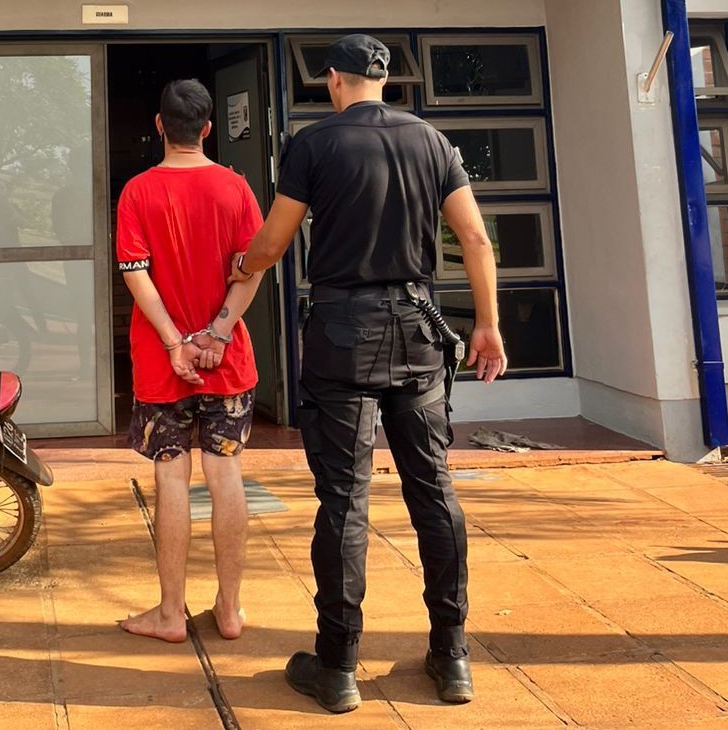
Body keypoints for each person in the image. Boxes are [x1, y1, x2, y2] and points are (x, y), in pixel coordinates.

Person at [229, 35, 507, 712]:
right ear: (383, 80)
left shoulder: (313, 144)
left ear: (334, 79)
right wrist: (488, 325)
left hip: (342, 335)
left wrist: (244, 265)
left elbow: (275, 240)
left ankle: (338, 666)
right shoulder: (432, 142)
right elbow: (475, 237)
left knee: (345, 501)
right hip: (418, 332)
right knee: (433, 492)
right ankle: (452, 657)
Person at [115, 79, 266, 643]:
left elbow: (136, 275)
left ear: (159, 125)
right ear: (207, 128)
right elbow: (252, 268)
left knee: (171, 478)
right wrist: (217, 334)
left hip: (163, 363)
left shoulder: (138, 192)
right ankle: (229, 609)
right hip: (226, 359)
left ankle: (170, 614)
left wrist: (175, 342)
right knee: (226, 474)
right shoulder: (236, 188)